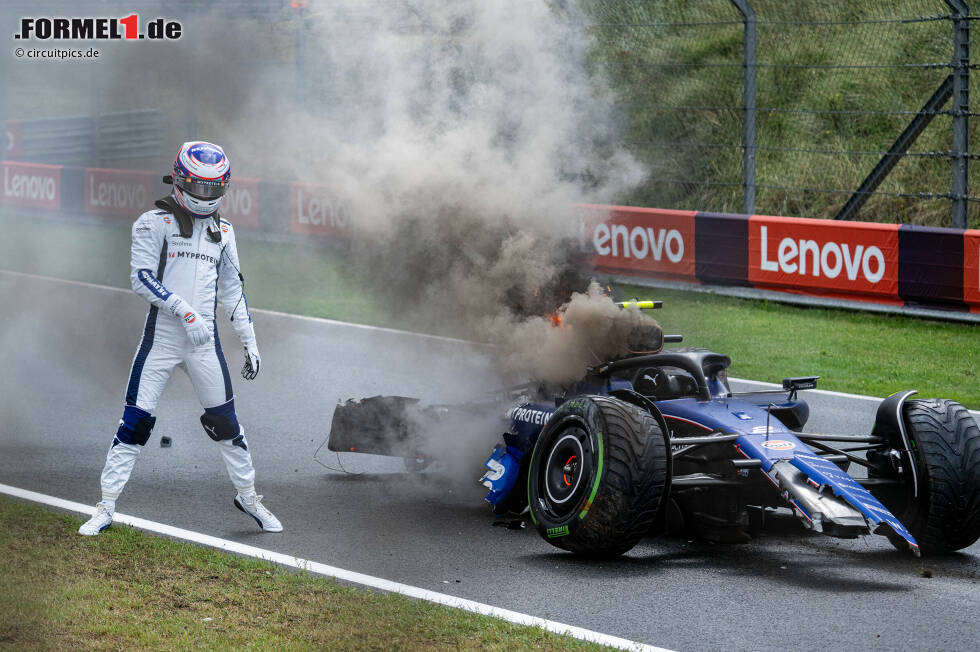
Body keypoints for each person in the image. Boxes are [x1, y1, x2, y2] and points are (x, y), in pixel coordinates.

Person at [78, 141, 282, 535]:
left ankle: (248, 496)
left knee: (226, 423)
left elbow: (233, 291)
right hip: (163, 335)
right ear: (180, 181)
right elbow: (140, 277)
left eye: (213, 189)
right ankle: (105, 506)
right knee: (135, 422)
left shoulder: (224, 232)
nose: (205, 197)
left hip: (204, 340)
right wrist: (183, 310)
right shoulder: (153, 222)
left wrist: (249, 339)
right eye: (199, 187)